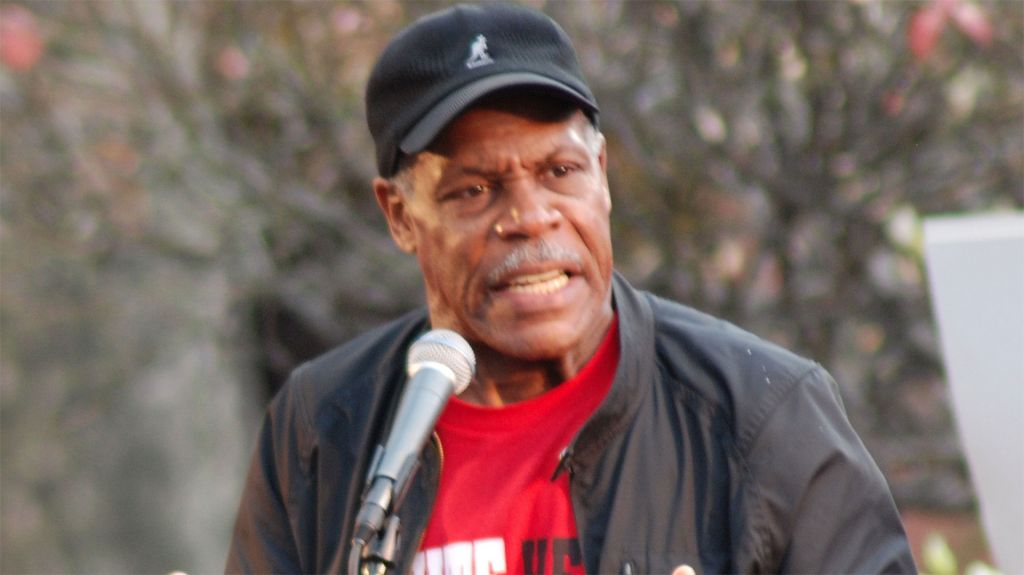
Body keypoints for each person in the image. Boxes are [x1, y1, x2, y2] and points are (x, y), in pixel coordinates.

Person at [225, 3, 917, 574]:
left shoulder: (761, 416)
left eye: (559, 171)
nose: (529, 218)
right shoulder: (323, 429)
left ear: (603, 175)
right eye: (474, 190)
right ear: (401, 215)